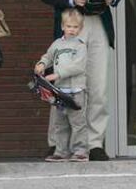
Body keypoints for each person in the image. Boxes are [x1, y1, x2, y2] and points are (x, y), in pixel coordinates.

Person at [41, 0, 124, 161]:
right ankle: (59, 144)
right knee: (64, 84)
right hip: (70, 24)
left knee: (97, 86)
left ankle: (94, 143)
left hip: (97, 22)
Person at [35, 9, 88, 162]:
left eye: (75, 27)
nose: (72, 30)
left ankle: (80, 151)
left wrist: (57, 74)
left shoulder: (80, 46)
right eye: (69, 26)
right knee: (60, 122)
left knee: (78, 122)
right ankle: (61, 151)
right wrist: (42, 64)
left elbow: (78, 67)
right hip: (59, 91)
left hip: (76, 90)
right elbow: (48, 56)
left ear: (80, 28)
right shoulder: (57, 44)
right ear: (62, 26)